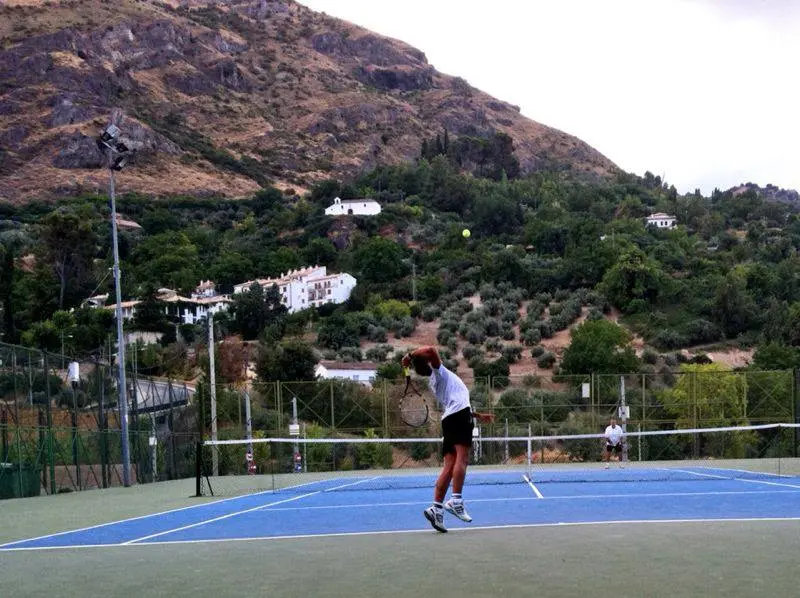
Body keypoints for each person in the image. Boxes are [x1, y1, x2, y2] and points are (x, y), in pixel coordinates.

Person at [402, 346, 494, 533]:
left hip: (451, 419)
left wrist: (475, 415)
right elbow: (431, 349)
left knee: (449, 466)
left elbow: (455, 403)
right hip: (459, 417)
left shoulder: (434, 382)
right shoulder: (440, 373)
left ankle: (436, 508)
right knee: (463, 458)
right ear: (429, 362)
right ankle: (456, 501)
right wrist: (409, 356)